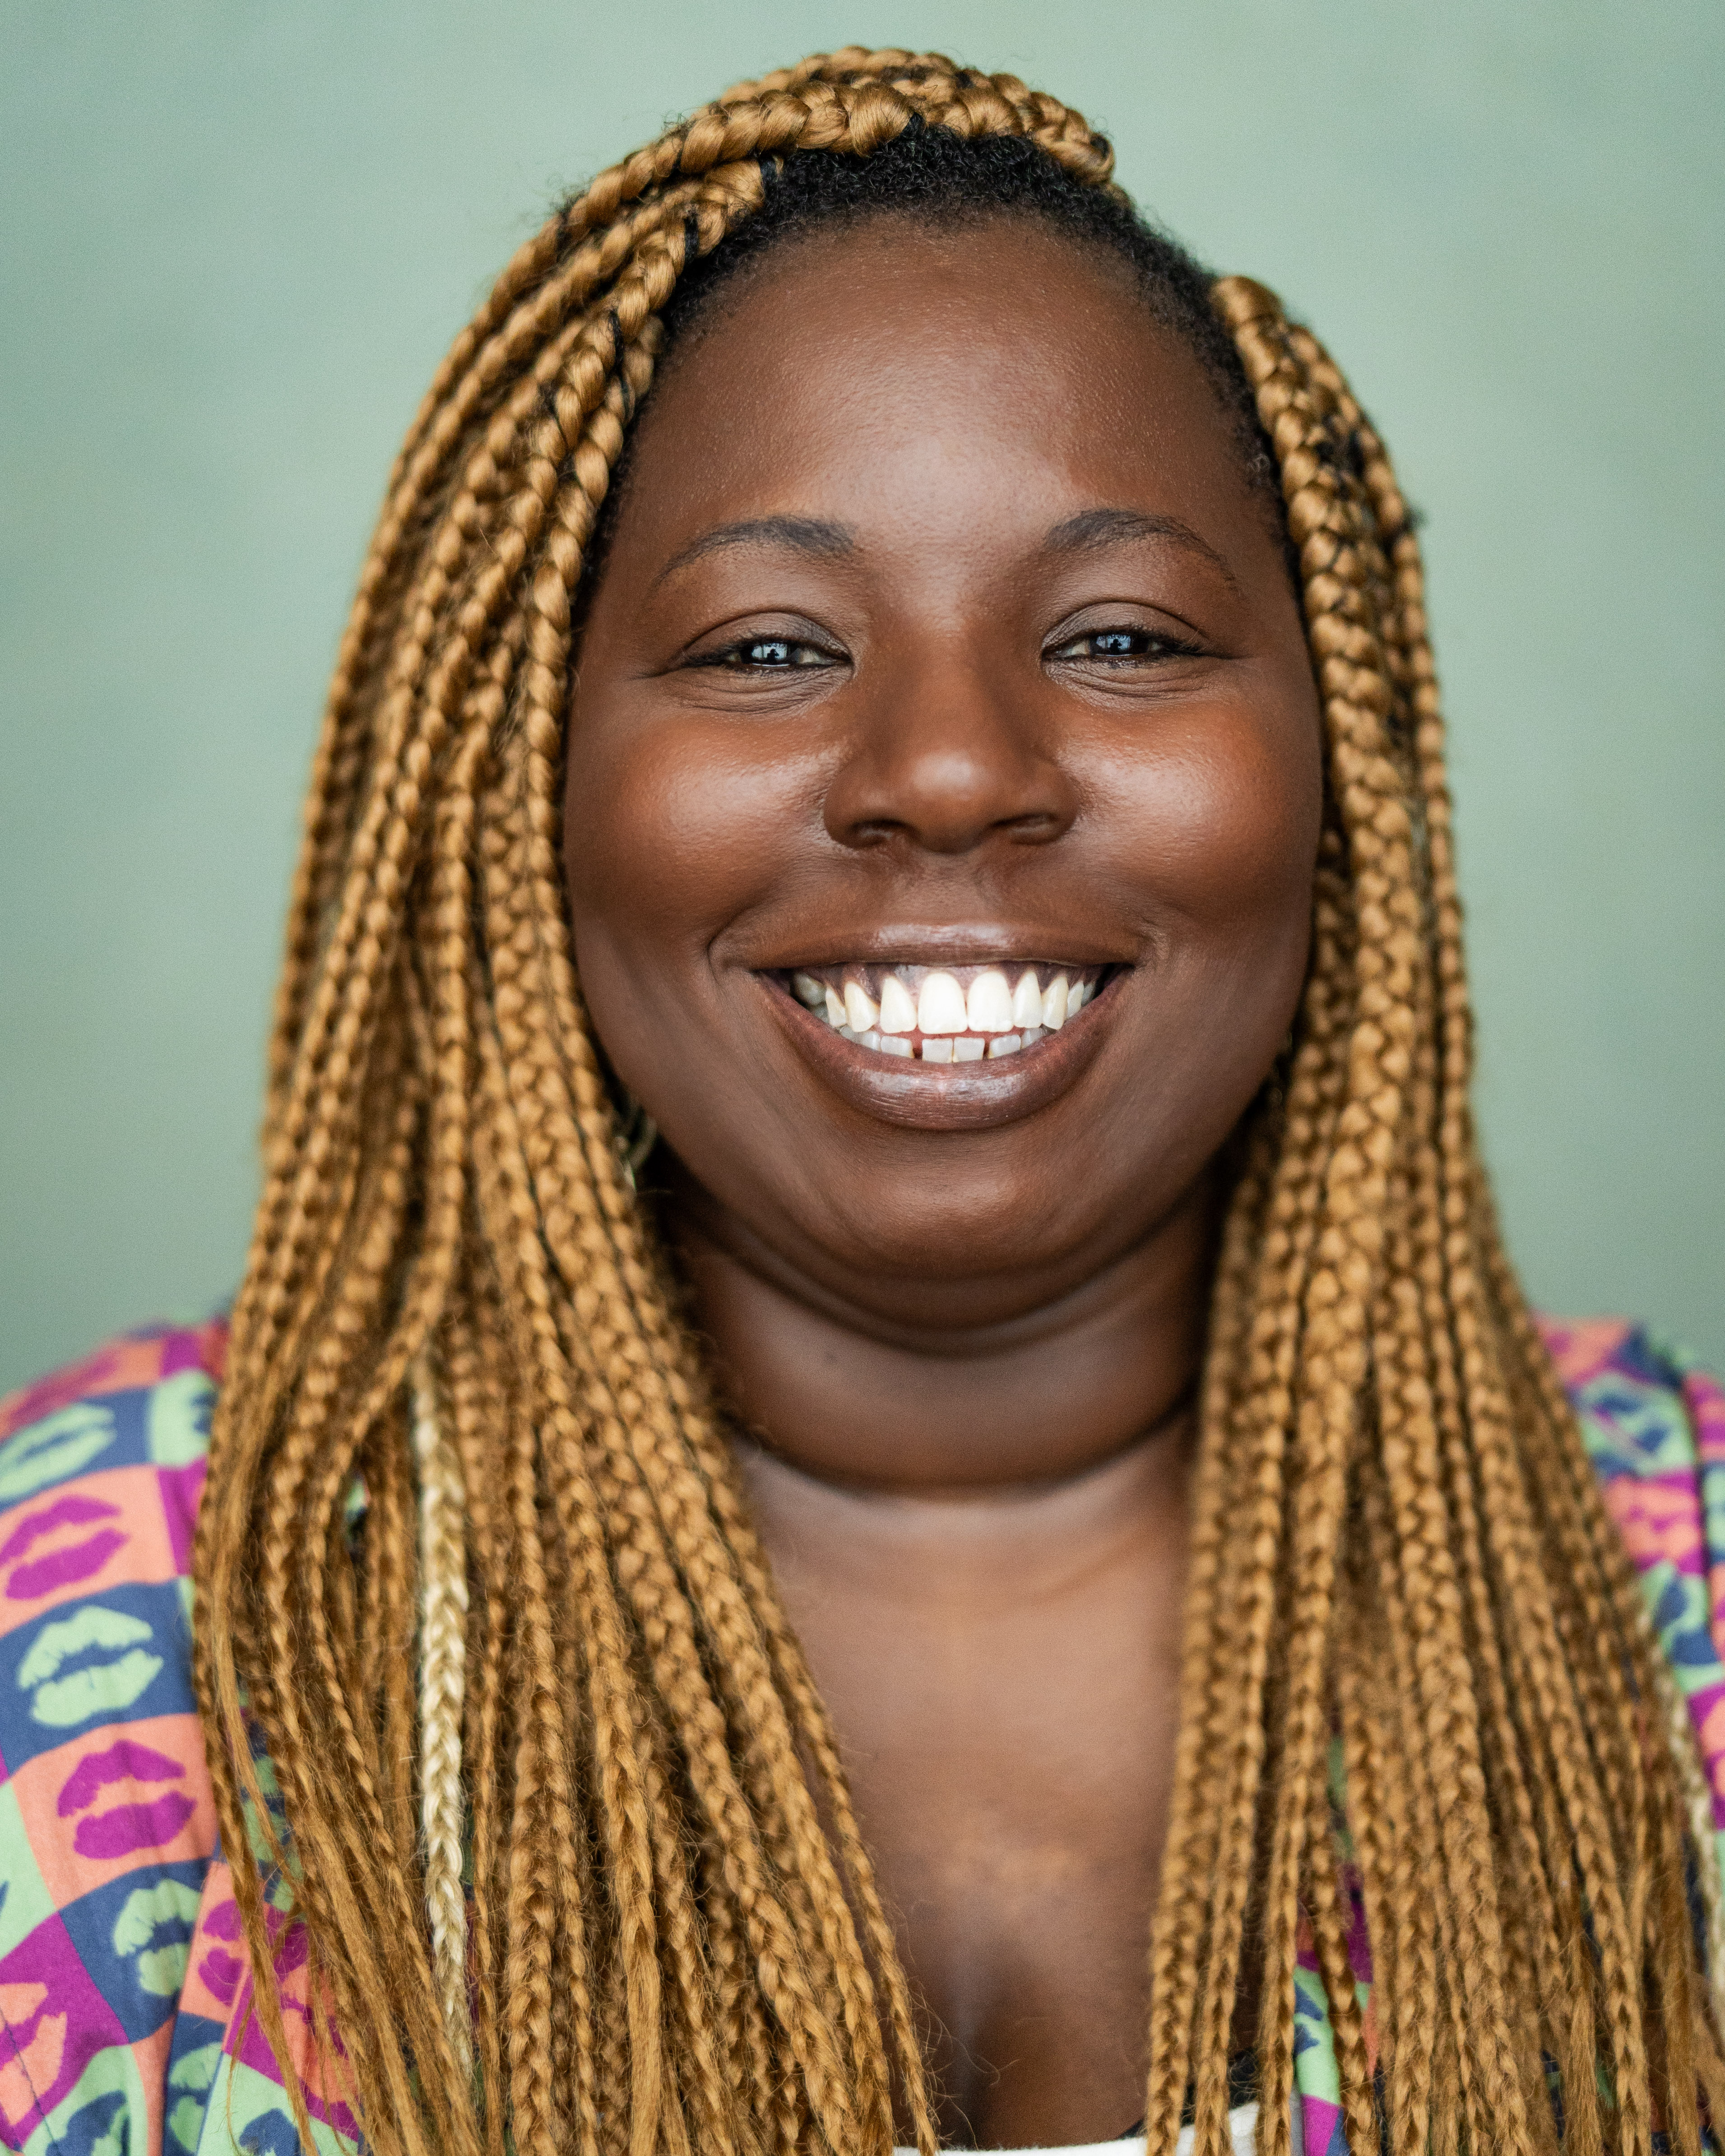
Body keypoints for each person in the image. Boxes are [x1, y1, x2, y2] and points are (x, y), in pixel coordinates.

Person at [0, 45, 1720, 2156]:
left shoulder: (1683, 1594)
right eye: (760, 650)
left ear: (1340, 759)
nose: (947, 767)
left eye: (1113, 633)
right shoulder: (101, 1596)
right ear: (522, 770)